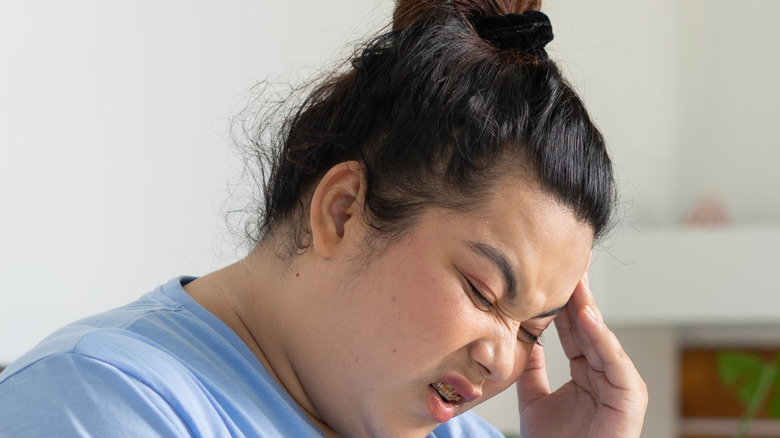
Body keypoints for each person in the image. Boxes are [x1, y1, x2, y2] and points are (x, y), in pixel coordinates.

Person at [0, 0, 648, 436]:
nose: (501, 360)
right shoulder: (100, 404)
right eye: (483, 292)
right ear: (341, 211)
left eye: (533, 333)